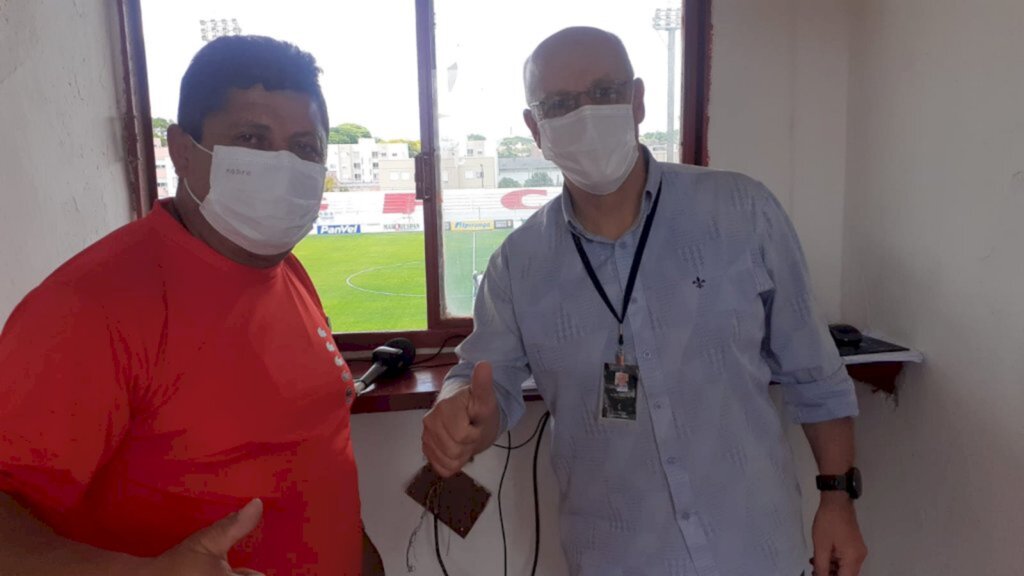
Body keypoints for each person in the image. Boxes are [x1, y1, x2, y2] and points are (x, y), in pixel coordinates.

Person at [422, 27, 867, 576]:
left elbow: (814, 374)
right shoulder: (517, 266)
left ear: (637, 102)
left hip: (758, 551)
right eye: (561, 104)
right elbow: (481, 381)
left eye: (605, 92)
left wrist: (837, 500)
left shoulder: (742, 212)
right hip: (615, 557)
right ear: (536, 129)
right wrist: (463, 407)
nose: (585, 114)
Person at [0, 36, 383, 575]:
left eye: (305, 147)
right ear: (181, 151)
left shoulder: (286, 272)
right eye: (251, 138)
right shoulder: (89, 307)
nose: (283, 165)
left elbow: (311, 456)